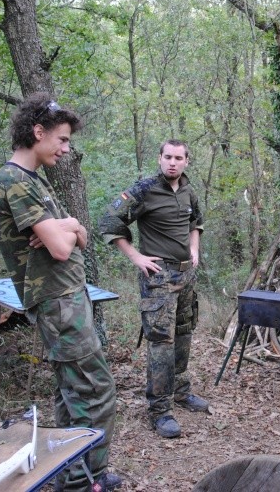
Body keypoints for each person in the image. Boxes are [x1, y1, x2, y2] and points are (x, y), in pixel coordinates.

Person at [0, 93, 120, 492]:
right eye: (61, 140)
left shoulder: (33, 180)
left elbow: (77, 236)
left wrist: (70, 224)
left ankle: (77, 475)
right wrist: (66, 231)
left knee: (73, 392)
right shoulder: (11, 179)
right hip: (58, 303)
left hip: (69, 295)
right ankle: (81, 482)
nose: (65, 149)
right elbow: (64, 247)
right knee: (95, 389)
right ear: (38, 132)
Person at [99, 139, 208, 439]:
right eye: (168, 157)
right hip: (159, 278)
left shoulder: (188, 191)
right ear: (159, 158)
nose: (173, 162)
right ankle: (160, 410)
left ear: (187, 160)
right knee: (161, 342)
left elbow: (196, 222)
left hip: (186, 276)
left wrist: (194, 249)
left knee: (184, 333)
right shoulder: (144, 190)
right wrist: (136, 257)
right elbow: (109, 221)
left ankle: (181, 392)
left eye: (179, 158)